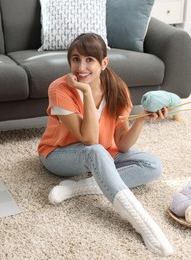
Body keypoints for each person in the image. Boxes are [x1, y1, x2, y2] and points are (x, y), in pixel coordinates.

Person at [37, 33, 173, 257]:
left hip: (101, 152)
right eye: (76, 59)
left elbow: (122, 144)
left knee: (152, 165)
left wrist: (142, 119)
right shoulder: (59, 89)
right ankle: (145, 226)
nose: (81, 67)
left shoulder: (117, 88)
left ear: (104, 63)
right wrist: (86, 91)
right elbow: (89, 139)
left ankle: (79, 188)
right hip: (58, 155)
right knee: (96, 150)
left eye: (90, 60)